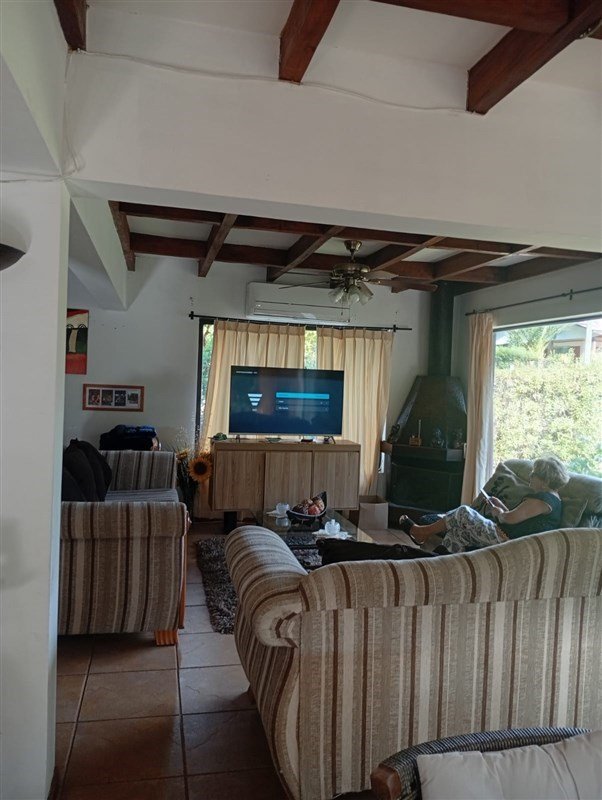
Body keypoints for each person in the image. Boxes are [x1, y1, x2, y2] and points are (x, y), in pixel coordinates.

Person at [399, 457, 569, 554]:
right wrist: (500, 506)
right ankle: (439, 561)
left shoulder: (544, 500)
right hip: (508, 536)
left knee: (463, 512)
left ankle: (421, 532)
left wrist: (498, 512)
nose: (531, 476)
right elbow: (517, 518)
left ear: (545, 480)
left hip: (509, 542)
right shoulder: (548, 500)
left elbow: (509, 519)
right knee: (459, 532)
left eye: (534, 474)